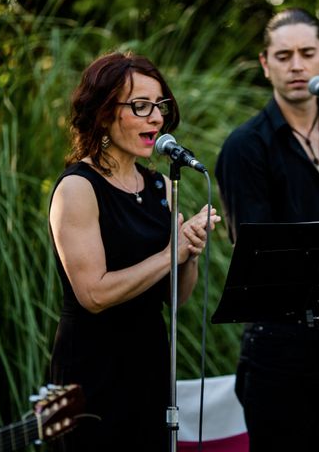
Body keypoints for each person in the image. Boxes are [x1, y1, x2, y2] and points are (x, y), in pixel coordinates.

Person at [215, 8, 319, 451]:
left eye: (307, 53)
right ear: (266, 65)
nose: (297, 66)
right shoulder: (246, 147)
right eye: (283, 56)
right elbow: (260, 254)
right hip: (280, 351)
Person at [48, 52, 221, 451]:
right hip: (93, 371)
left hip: (149, 361)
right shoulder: (78, 188)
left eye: (160, 106)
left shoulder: (160, 185)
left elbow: (175, 297)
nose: (156, 118)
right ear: (104, 113)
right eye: (140, 106)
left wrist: (189, 251)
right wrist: (169, 254)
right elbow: (93, 295)